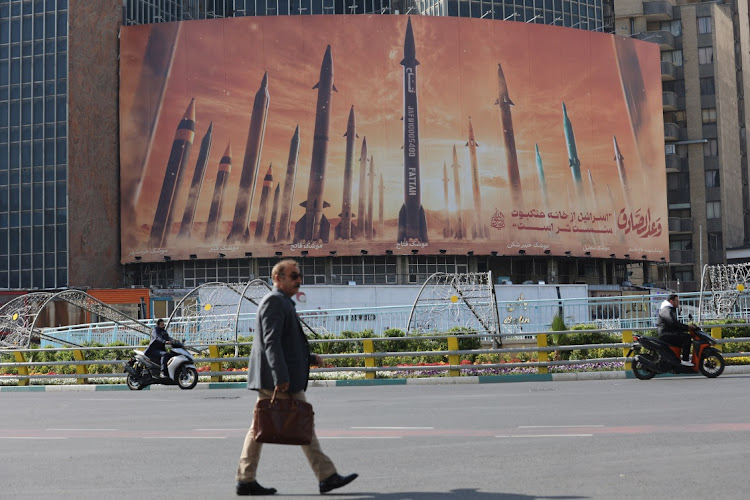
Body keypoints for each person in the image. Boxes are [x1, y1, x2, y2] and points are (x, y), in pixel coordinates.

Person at [236, 259, 358, 496]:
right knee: (298, 423)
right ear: (277, 279)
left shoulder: (283, 302)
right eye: (293, 276)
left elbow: (285, 342)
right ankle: (326, 476)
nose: (299, 280)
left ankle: (246, 478)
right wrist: (280, 376)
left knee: (267, 426)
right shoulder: (274, 301)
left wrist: (309, 358)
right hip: (278, 379)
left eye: (299, 276)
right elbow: (270, 342)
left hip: (280, 375)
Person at [657, 294, 694, 366]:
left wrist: (685, 327)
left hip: (668, 332)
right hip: (666, 334)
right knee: (687, 337)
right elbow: (673, 322)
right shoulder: (666, 310)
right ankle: (685, 360)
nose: (678, 302)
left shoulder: (668, 309)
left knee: (683, 336)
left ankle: (677, 360)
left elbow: (674, 323)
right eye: (677, 301)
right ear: (671, 301)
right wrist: (687, 327)